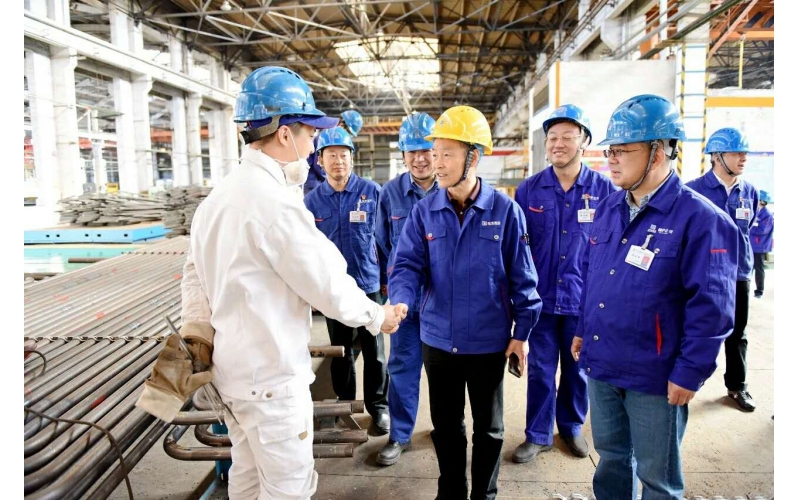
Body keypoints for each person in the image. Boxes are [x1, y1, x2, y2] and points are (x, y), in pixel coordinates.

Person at [136, 66, 407, 500]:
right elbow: (326, 284)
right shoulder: (274, 204)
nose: (314, 145)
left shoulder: (218, 198)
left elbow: (193, 274)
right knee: (287, 489)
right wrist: (378, 316)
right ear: (284, 133)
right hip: (271, 383)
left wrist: (196, 330)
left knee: (246, 479)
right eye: (310, 133)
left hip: (231, 377)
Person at [571, 94, 738, 500]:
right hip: (603, 362)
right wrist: (583, 329)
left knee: (657, 477)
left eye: (622, 151)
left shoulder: (701, 219)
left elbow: (712, 309)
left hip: (655, 375)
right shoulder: (609, 208)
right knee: (611, 458)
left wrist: (690, 371)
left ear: (659, 151)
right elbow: (595, 277)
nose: (611, 160)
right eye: (609, 151)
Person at [390, 105, 542, 500]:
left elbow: (524, 280)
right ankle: (452, 492)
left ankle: (484, 496)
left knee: (489, 429)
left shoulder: (506, 212)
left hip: (488, 341)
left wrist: (522, 334)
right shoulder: (425, 212)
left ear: (473, 157)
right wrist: (402, 300)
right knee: (446, 426)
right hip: (438, 339)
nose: (436, 163)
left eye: (446, 154)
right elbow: (406, 265)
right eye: (434, 153)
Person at [512, 104, 617, 464]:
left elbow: (613, 250)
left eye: (567, 137)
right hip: (540, 300)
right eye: (552, 137)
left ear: (584, 142)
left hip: (584, 300)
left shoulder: (605, 191)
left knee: (578, 369)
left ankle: (571, 427)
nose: (558, 144)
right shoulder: (529, 191)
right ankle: (538, 434)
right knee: (540, 370)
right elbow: (518, 249)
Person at [304, 126, 391, 434]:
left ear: (352, 159)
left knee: (375, 352)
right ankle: (346, 406)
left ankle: (378, 407)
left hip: (368, 285)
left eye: (343, 155)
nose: (338, 161)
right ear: (320, 161)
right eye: (331, 155)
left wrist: (386, 280)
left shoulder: (371, 192)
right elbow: (308, 250)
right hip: (333, 291)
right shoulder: (312, 201)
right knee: (341, 352)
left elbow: (383, 241)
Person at [374, 112, 438, 466]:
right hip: (404, 303)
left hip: (444, 301)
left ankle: (448, 427)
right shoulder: (390, 193)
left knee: (446, 370)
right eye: (412, 151)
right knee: (401, 367)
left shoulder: (451, 188)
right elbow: (382, 243)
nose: (420, 158)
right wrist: (396, 286)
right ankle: (399, 435)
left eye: (425, 150)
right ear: (403, 155)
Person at [685, 127, 759, 412]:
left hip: (739, 274)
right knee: (693, 328)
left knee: (738, 333)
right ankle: (684, 380)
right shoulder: (693, 190)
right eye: (736, 152)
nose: (743, 158)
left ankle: (737, 386)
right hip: (703, 274)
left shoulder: (749, 192)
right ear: (716, 156)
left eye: (744, 153)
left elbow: (747, 230)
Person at [303, 110, 364, 196]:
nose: (347, 136)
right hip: (313, 182)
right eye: (348, 133)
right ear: (342, 124)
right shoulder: (327, 137)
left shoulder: (329, 136)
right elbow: (321, 168)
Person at [750, 189, 774, 298]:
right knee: (747, 268)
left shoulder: (767, 215)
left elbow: (762, 230)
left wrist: (748, 228)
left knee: (759, 269)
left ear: (762, 201)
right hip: (751, 245)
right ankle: (744, 288)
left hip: (759, 247)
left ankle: (759, 291)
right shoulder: (754, 211)